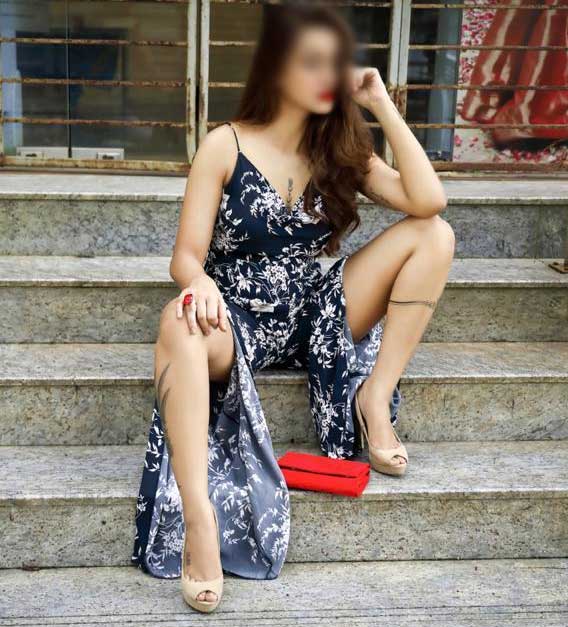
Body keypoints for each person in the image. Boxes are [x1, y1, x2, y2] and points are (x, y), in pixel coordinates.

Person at [131, 2, 454, 614]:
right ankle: (200, 520)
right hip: (237, 315)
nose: (327, 75)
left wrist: (381, 105)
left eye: (334, 62)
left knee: (434, 235)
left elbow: (427, 199)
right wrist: (199, 282)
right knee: (177, 318)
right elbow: (185, 257)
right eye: (311, 62)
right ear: (276, 68)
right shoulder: (224, 145)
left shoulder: (341, 149)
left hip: (315, 310)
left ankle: (375, 397)